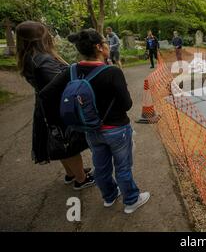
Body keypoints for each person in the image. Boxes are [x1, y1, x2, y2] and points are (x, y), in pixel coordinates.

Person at [40, 29, 150, 214]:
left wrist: (66, 116)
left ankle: (109, 197)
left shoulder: (72, 70)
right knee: (123, 167)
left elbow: (46, 94)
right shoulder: (112, 71)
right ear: (99, 47)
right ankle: (131, 200)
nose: (107, 45)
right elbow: (127, 104)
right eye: (105, 43)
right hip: (117, 130)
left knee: (101, 166)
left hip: (91, 130)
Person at [15, 21, 94, 190]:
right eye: (46, 33)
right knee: (68, 144)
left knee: (58, 141)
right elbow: (59, 85)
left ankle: (72, 172)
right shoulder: (43, 60)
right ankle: (81, 179)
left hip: (46, 105)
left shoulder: (30, 57)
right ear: (39, 39)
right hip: (58, 107)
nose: (50, 36)